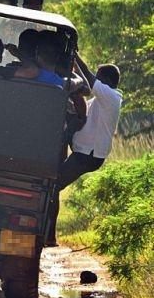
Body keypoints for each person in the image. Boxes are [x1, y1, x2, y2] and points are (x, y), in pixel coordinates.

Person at [46, 54, 122, 246]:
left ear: (107, 81)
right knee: (53, 185)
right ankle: (48, 235)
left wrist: (75, 56)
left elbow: (87, 76)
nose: (94, 80)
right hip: (84, 150)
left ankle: (49, 236)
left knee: (53, 187)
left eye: (99, 77)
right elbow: (80, 110)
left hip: (88, 155)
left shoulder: (111, 97)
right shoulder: (100, 102)